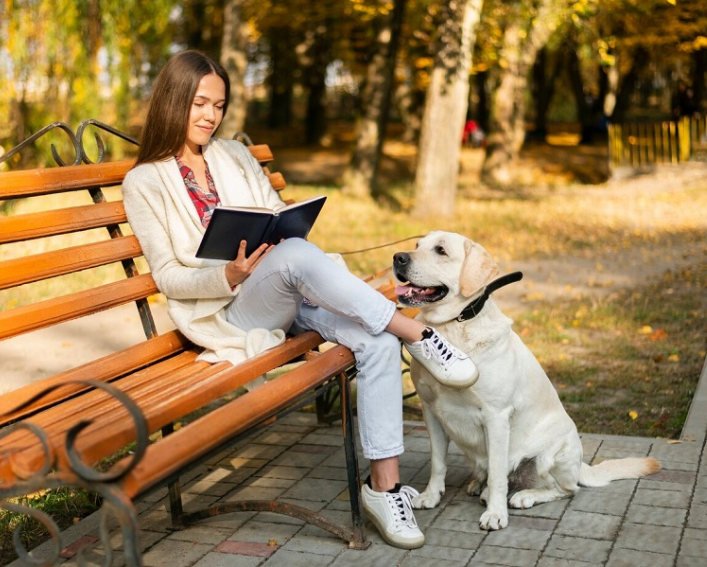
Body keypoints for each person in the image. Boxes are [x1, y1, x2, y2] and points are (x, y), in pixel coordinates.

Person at [122, 50, 479, 549]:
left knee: (372, 344)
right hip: (230, 308)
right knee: (298, 259)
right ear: (173, 101)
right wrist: (227, 274)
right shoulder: (144, 181)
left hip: (286, 287)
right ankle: (416, 331)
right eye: (198, 103)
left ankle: (386, 489)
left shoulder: (234, 156)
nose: (209, 116)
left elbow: (273, 216)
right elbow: (167, 276)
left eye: (218, 106)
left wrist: (284, 222)